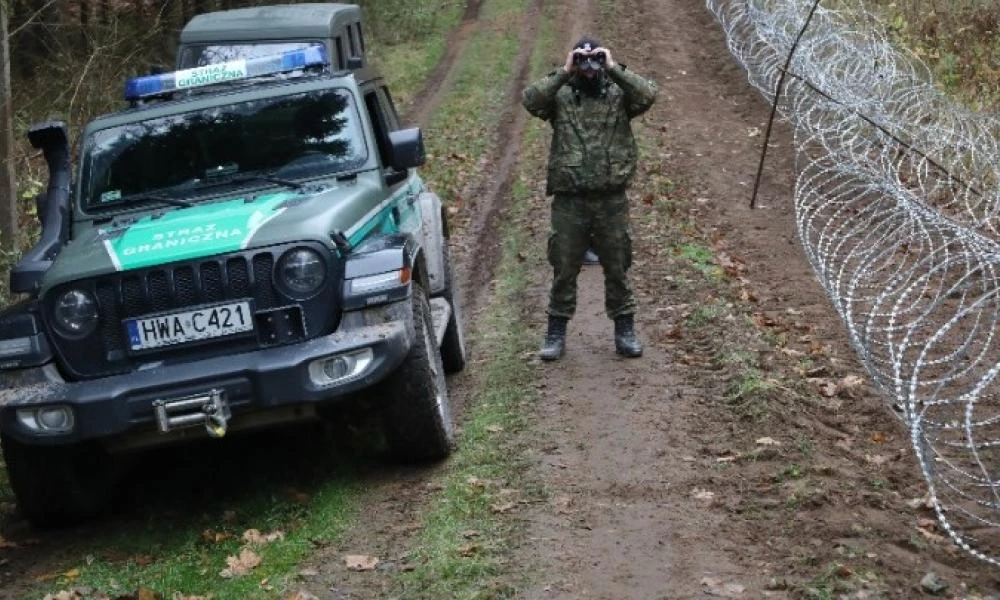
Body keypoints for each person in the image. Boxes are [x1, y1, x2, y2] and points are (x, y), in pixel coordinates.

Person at [522, 36, 658, 361]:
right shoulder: (562, 96)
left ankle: (625, 332)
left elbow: (648, 94)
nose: (589, 66)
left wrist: (613, 66)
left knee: (617, 266)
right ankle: (555, 334)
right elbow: (530, 100)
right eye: (582, 60)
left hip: (611, 199)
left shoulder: (618, 95)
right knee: (564, 267)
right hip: (571, 200)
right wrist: (564, 70)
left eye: (594, 59)